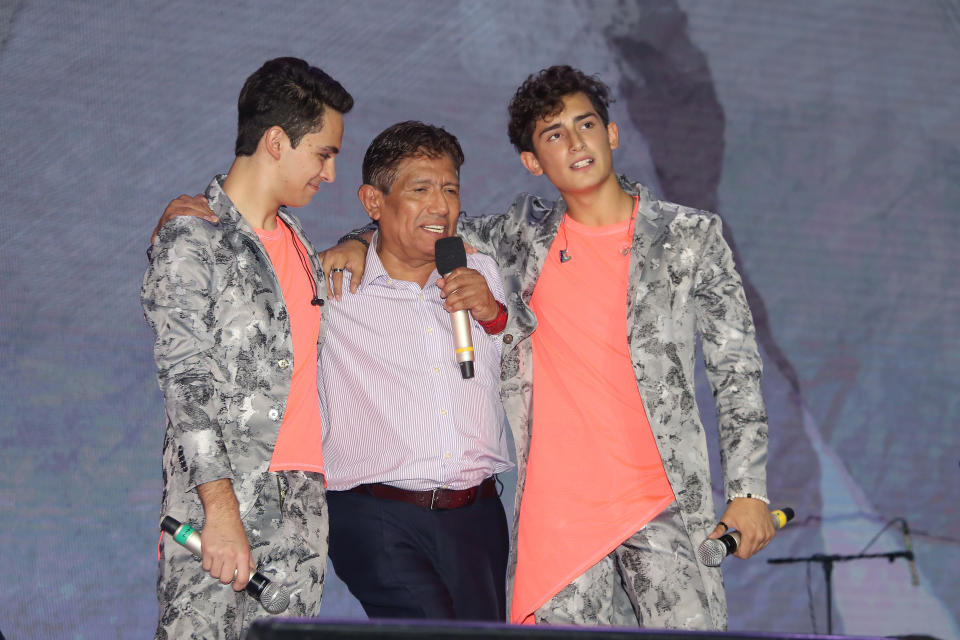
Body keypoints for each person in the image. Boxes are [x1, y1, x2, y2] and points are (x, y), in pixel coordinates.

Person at [327, 65, 774, 630]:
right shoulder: (519, 238)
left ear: (611, 134)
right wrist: (357, 240)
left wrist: (748, 490)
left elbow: (737, 373)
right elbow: (420, 225)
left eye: (586, 124)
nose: (576, 142)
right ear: (533, 161)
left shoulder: (690, 237)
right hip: (559, 522)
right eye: (554, 134)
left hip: (661, 505)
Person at [152, 121, 514, 621]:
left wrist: (492, 311)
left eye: (450, 189)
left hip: (477, 514)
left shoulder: (482, 270)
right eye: (421, 189)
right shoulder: (333, 282)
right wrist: (181, 231)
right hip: (377, 512)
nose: (441, 205)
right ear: (373, 202)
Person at [141, 57, 353, 639]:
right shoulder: (194, 237)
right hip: (220, 513)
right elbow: (188, 384)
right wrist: (222, 513)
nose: (329, 174)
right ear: (277, 141)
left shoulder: (301, 246)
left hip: (302, 511)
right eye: (324, 154)